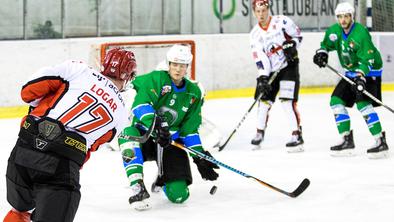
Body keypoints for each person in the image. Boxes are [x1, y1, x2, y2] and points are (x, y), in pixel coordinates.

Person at [3, 48, 136, 222]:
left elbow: (27, 92)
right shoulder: (121, 114)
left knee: (18, 212)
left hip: (22, 153)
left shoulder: (77, 69)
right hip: (61, 166)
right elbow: (88, 149)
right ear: (128, 77)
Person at [118, 44, 219, 211]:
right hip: (147, 137)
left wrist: (199, 156)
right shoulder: (157, 79)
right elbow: (141, 105)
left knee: (179, 196)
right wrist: (156, 125)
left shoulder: (193, 93)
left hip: (170, 143)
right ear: (168, 64)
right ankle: (138, 187)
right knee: (127, 135)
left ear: (187, 67)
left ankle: (162, 179)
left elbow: (189, 130)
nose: (178, 69)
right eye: (174, 64)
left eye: (182, 65)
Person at [313, 2, 389, 158]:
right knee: (336, 101)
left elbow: (368, 59)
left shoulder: (361, 33)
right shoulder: (335, 31)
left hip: (369, 72)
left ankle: (380, 141)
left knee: (362, 104)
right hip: (350, 73)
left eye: (346, 16)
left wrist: (361, 77)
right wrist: (322, 53)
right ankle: (346, 140)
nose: (343, 20)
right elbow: (325, 44)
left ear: (351, 16)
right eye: (340, 17)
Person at [249, 0, 304, 152]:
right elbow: (260, 58)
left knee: (287, 101)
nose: (261, 14)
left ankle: (296, 134)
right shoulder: (254, 35)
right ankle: (259, 132)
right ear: (254, 12)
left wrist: (292, 45)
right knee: (263, 100)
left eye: (264, 10)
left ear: (268, 9)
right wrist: (263, 78)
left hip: (288, 66)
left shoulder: (282, 22)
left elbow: (298, 36)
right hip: (271, 70)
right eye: (258, 11)